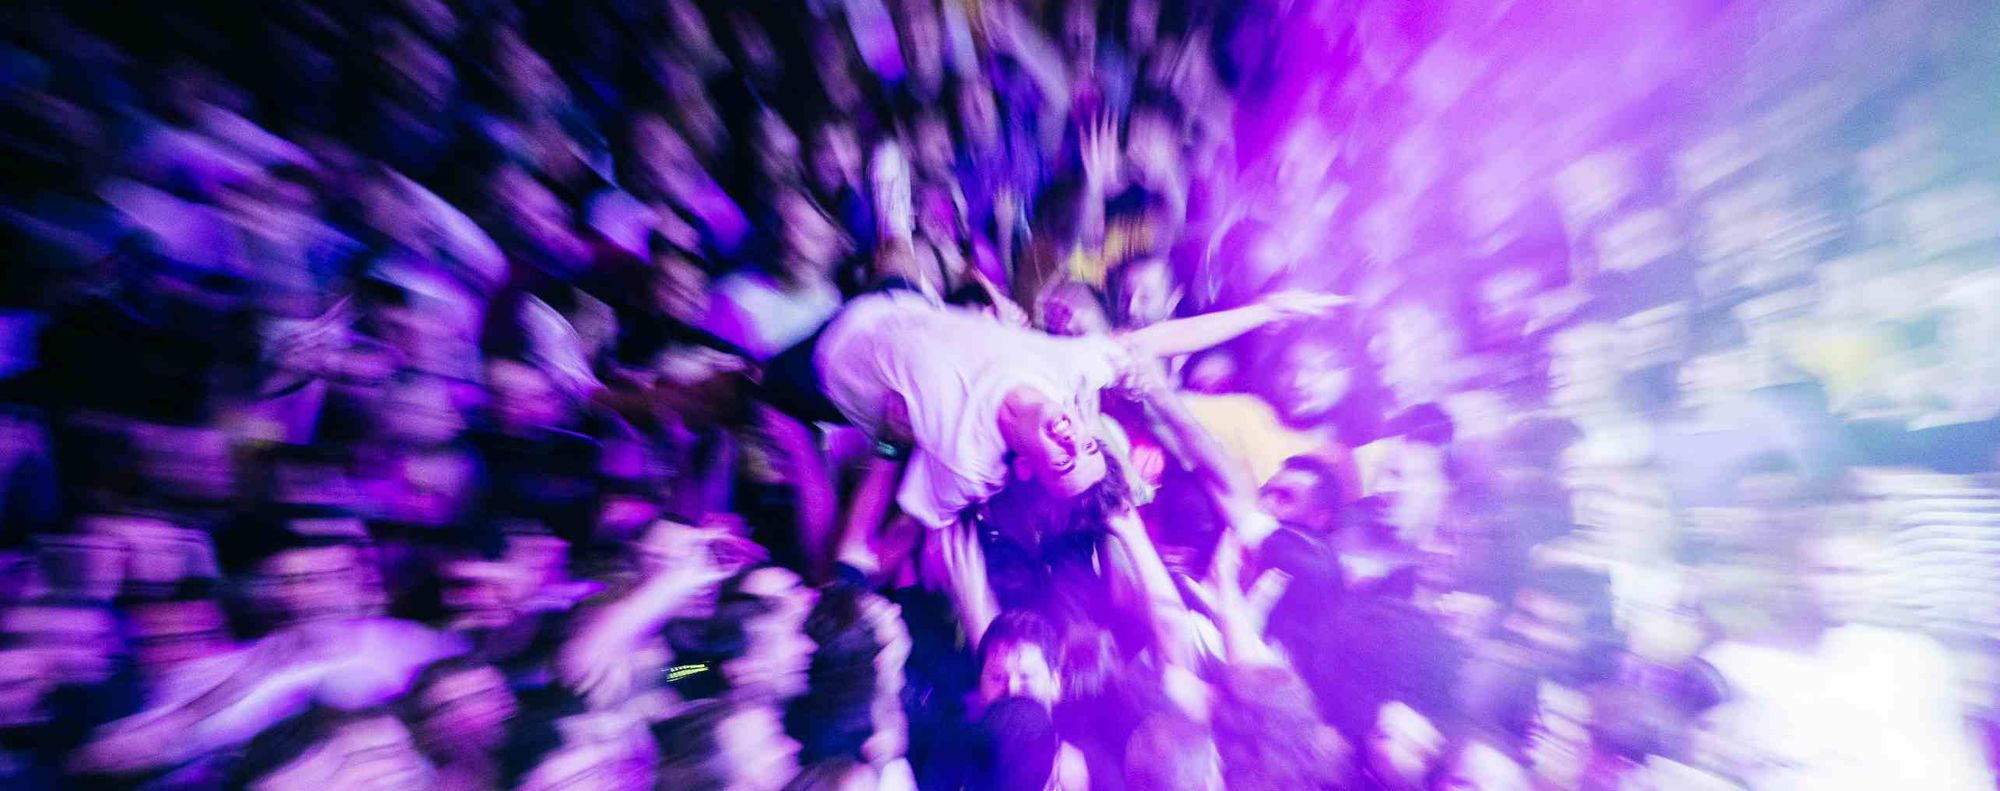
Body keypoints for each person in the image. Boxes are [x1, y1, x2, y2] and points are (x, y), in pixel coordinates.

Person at [761, 283, 1345, 529]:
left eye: (1065, 459)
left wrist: (891, 444)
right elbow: (1162, 339)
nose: (1072, 438)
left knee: (749, 388)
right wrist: (1266, 311)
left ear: (1026, 467)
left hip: (823, 365)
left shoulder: (965, 459)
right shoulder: (1071, 374)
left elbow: (911, 514)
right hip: (895, 301)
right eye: (1089, 445)